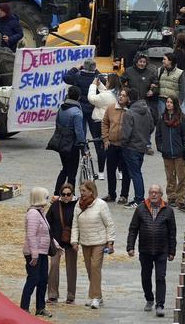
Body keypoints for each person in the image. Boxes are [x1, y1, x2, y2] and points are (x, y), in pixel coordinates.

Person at [128, 184, 178, 317]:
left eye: (156, 193)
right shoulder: (140, 209)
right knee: (145, 276)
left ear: (161, 195)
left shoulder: (168, 210)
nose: (154, 195)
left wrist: (172, 251)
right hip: (145, 250)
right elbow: (133, 229)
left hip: (162, 250)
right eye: (151, 192)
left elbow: (172, 232)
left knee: (160, 277)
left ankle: (160, 304)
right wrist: (130, 247)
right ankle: (149, 298)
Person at [70, 180, 116, 310]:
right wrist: (74, 241)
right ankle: (97, 295)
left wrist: (110, 241)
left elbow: (109, 224)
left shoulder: (101, 205)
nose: (82, 193)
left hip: (99, 242)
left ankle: (94, 296)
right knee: (90, 269)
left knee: (95, 267)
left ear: (91, 191)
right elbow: (75, 224)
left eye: (84, 191)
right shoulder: (78, 205)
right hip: (85, 242)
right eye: (81, 191)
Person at [66, 57, 104, 173]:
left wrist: (75, 68)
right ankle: (101, 162)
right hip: (93, 111)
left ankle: (85, 154)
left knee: (81, 134)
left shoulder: (77, 76)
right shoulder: (97, 78)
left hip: (81, 109)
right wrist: (96, 71)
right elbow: (105, 81)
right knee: (97, 136)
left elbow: (66, 78)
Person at [22, 187, 55, 317]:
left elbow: (46, 233)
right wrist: (34, 254)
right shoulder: (33, 214)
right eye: (46, 197)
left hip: (42, 252)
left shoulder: (40, 212)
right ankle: (24, 308)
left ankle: (40, 308)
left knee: (43, 280)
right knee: (33, 279)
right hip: (34, 253)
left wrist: (56, 245)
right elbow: (31, 236)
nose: (47, 199)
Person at [46, 183, 80, 304]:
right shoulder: (55, 205)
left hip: (71, 241)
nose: (66, 197)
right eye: (63, 194)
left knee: (71, 268)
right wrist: (51, 238)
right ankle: (52, 294)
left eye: (68, 194)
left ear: (72, 194)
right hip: (56, 241)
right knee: (54, 266)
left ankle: (71, 296)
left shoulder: (77, 206)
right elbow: (47, 222)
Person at [120, 90, 154, 206]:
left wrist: (123, 144)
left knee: (135, 174)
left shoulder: (129, 113)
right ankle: (138, 198)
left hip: (131, 147)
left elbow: (126, 133)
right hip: (142, 146)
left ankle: (139, 199)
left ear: (129, 99)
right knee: (137, 173)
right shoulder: (147, 110)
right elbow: (151, 127)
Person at [155, 98, 185, 208]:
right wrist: (161, 147)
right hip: (167, 153)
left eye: (170, 102)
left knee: (181, 177)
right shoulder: (162, 118)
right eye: (167, 102)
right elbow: (158, 135)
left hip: (179, 153)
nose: (168, 104)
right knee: (170, 177)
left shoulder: (181, 118)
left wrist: (184, 149)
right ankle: (171, 197)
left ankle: (181, 199)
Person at [54, 86, 88, 191]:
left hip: (61, 143)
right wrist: (84, 147)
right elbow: (79, 131)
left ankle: (57, 192)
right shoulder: (77, 112)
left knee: (65, 169)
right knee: (72, 172)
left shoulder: (61, 108)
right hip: (72, 145)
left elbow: (57, 124)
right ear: (78, 97)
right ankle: (70, 195)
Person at [89, 73, 119, 185]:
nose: (106, 82)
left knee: (100, 148)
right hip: (111, 122)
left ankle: (101, 172)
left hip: (100, 122)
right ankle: (119, 172)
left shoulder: (106, 96)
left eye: (107, 80)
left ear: (110, 82)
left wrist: (93, 86)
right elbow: (105, 92)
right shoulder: (117, 93)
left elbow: (92, 98)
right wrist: (99, 84)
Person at [103, 87, 130, 202]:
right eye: (120, 95)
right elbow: (105, 123)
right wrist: (106, 139)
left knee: (126, 171)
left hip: (125, 146)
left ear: (128, 98)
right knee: (110, 170)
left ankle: (124, 195)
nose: (121, 97)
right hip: (112, 144)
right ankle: (111, 194)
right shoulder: (111, 108)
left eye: (124, 95)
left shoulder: (130, 110)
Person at [123, 53, 161, 135]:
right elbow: (120, 81)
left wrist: (152, 91)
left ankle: (148, 144)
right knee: (132, 123)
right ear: (136, 62)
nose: (142, 64)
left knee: (146, 124)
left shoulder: (150, 72)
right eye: (140, 61)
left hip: (145, 103)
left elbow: (157, 85)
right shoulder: (129, 71)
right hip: (131, 103)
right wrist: (126, 91)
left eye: (144, 62)